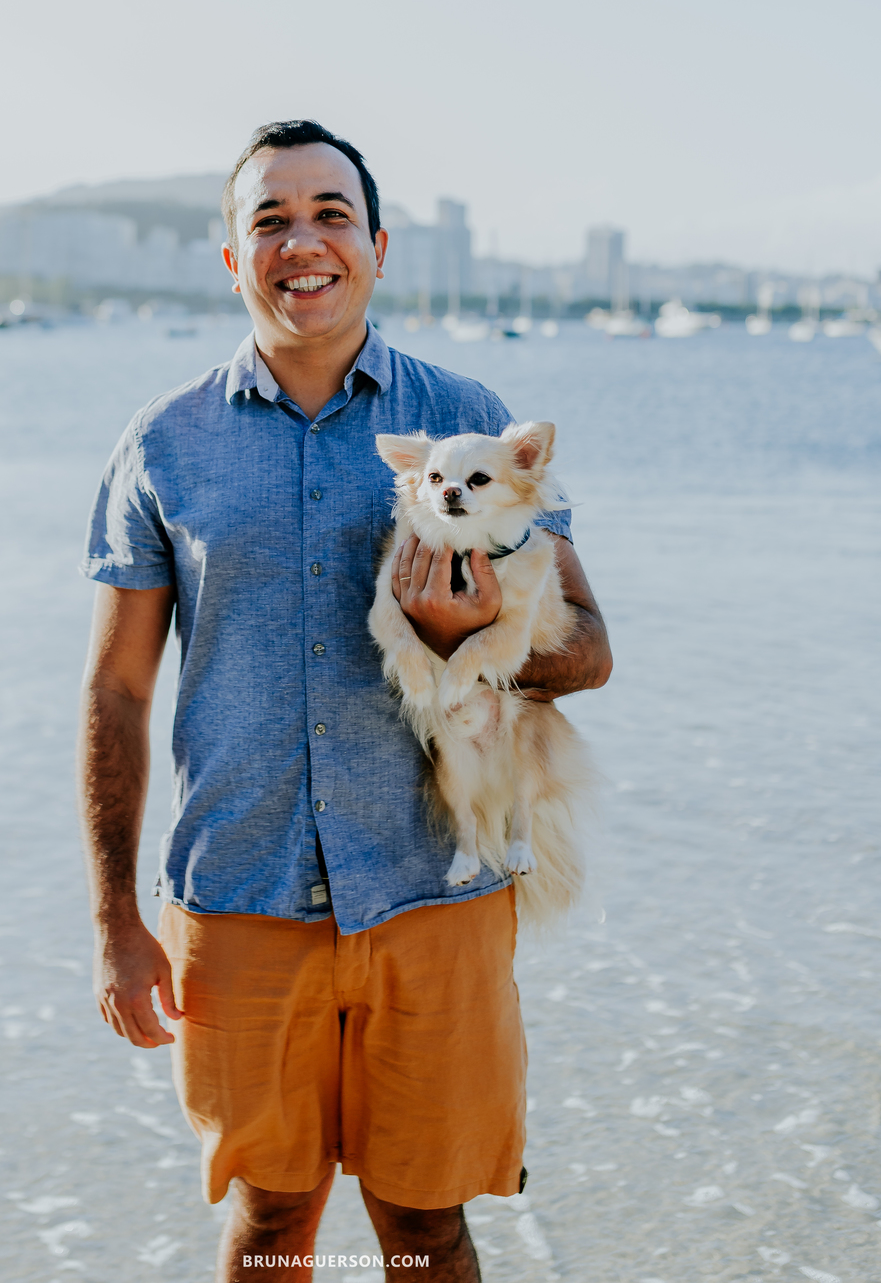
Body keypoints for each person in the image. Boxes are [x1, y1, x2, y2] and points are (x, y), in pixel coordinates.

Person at [77, 120, 611, 1282]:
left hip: (436, 888)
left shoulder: (469, 424)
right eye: (269, 219)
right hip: (240, 894)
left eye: (329, 215)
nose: (301, 241)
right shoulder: (163, 445)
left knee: (428, 1233)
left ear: (375, 245)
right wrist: (116, 922)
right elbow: (118, 692)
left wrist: (469, 640)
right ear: (233, 258)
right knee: (270, 1228)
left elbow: (590, 654)